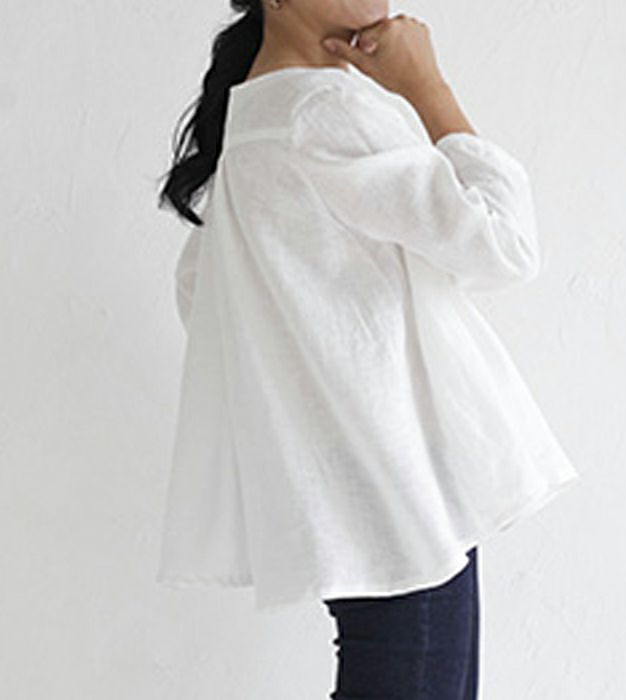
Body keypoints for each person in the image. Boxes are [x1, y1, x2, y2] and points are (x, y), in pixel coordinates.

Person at [156, 2, 580, 698]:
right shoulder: (324, 111)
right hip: (402, 501)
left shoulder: (259, 117)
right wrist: (428, 88)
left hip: (371, 496)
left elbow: (200, 292)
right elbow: (505, 245)